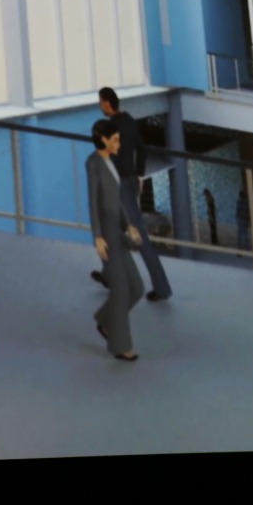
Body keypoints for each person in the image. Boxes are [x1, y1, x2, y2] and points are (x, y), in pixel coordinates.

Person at [92, 87, 172, 301]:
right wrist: (140, 176)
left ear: (107, 104)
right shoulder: (129, 121)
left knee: (136, 235)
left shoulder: (109, 128)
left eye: (100, 103)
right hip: (129, 181)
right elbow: (141, 150)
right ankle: (110, 275)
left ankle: (162, 288)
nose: (100, 106)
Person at [86, 119, 144, 361]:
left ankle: (104, 319)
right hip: (108, 235)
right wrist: (97, 237)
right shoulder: (94, 164)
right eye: (116, 139)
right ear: (104, 140)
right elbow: (93, 201)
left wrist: (128, 224)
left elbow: (116, 200)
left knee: (137, 288)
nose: (119, 144)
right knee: (120, 291)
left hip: (118, 233)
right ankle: (120, 346)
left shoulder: (110, 163)